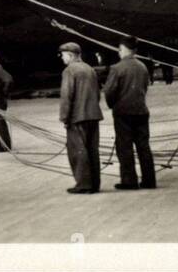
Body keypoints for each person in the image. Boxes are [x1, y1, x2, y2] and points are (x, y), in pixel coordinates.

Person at [103, 36, 156, 190]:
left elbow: (109, 91)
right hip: (141, 110)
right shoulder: (142, 67)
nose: (118, 52)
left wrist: (113, 105)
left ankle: (129, 181)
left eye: (119, 49)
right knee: (144, 146)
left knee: (125, 147)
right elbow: (145, 87)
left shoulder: (117, 68)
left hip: (123, 113)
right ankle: (149, 180)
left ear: (125, 49)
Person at [58, 42, 102, 194]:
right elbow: (97, 93)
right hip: (93, 115)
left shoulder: (69, 70)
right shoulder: (89, 69)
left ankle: (84, 184)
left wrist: (65, 117)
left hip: (77, 117)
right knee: (92, 150)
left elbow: (66, 96)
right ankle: (94, 183)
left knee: (78, 151)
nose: (62, 58)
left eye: (63, 55)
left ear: (70, 55)